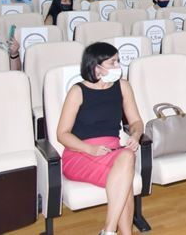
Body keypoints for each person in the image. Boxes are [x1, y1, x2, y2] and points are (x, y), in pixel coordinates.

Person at [56, 42, 144, 235]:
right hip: (80, 153)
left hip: (112, 152)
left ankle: (109, 230)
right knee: (125, 178)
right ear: (96, 67)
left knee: (126, 160)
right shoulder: (78, 91)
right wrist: (90, 149)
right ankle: (116, 232)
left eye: (118, 61)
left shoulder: (123, 86)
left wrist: (135, 135)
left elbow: (137, 121)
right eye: (113, 62)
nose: (118, 66)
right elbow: (62, 134)